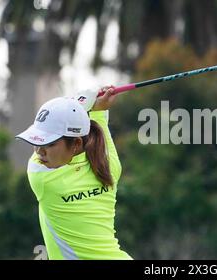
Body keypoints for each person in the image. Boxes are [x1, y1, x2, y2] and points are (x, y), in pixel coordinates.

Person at [15, 86, 132, 260]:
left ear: (76, 143)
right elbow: (100, 126)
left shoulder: (44, 178)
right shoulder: (109, 166)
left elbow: (97, 119)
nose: (40, 151)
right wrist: (84, 109)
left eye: (49, 143)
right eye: (36, 141)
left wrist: (82, 106)